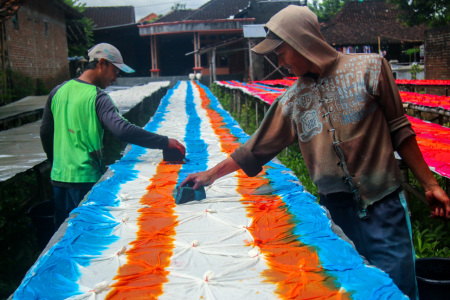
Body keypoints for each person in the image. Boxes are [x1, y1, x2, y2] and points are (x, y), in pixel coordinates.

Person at [181, 6, 449, 299]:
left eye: (281, 52)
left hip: (383, 205)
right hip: (336, 212)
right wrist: (210, 175)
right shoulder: (293, 100)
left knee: (398, 287)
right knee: (351, 287)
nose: (280, 62)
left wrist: (430, 183)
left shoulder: (371, 69)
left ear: (301, 42)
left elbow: (400, 129)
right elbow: (254, 149)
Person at [41, 43, 185, 230]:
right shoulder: (97, 97)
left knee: (63, 235)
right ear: (102, 63)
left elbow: (45, 132)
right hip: (85, 179)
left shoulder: (57, 91)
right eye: (115, 71)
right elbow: (121, 130)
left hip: (59, 179)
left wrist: (55, 163)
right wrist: (165, 142)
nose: (115, 78)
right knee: (87, 233)